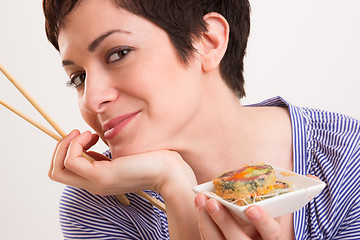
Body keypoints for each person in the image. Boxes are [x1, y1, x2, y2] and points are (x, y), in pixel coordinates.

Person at [43, 0, 360, 239]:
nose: (91, 99)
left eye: (118, 53)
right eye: (78, 77)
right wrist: (174, 185)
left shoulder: (348, 159)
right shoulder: (103, 205)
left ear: (206, 41)